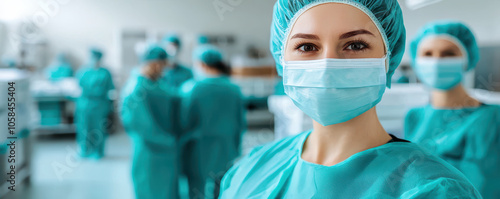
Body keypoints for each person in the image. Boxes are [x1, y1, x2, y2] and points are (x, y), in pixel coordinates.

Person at [219, 1, 482, 198]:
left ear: (388, 59)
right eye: (307, 47)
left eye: (355, 45)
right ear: (282, 59)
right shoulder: (251, 170)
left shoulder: (432, 189)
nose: (327, 65)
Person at [405, 21, 500, 199]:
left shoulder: (492, 117)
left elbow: (485, 185)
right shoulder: (414, 117)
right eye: (427, 54)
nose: (436, 61)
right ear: (416, 62)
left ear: (467, 59)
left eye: (448, 54)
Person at [180, 45, 245, 199]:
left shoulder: (192, 89)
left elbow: (184, 122)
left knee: (198, 187)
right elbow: (240, 122)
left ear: (201, 64)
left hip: (199, 148)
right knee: (222, 185)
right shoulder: (234, 89)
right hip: (226, 146)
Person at [121, 45, 181, 199]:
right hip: (150, 152)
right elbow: (141, 126)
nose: (163, 70)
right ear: (153, 64)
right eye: (161, 65)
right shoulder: (136, 88)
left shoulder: (156, 83)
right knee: (150, 191)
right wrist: (169, 141)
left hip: (166, 150)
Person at [75, 48, 114, 159]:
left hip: (100, 105)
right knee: (84, 128)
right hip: (84, 104)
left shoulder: (105, 73)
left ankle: (97, 151)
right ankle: (84, 150)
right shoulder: (83, 71)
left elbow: (110, 89)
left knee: (98, 129)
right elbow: (77, 86)